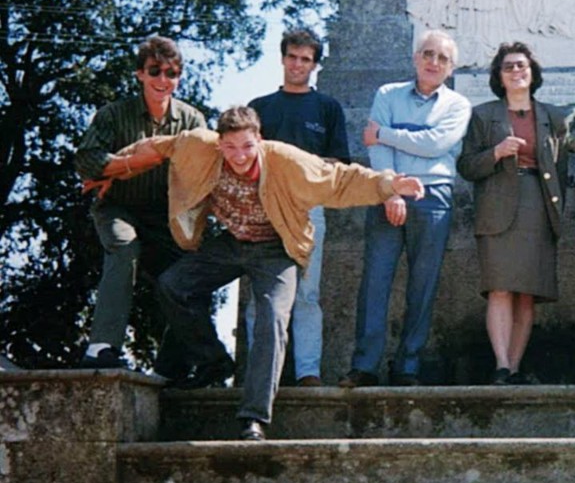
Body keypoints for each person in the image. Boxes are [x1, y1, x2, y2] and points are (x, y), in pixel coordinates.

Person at [94, 106, 425, 440]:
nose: (239, 157)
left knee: (271, 316)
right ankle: (212, 360)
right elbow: (153, 147)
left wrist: (391, 183)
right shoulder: (197, 144)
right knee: (173, 286)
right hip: (231, 242)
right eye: (231, 148)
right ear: (219, 143)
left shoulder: (287, 160)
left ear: (260, 140)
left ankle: (254, 417)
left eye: (248, 147)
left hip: (276, 248)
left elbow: (340, 180)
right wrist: (111, 170)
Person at [340, 30, 472, 387]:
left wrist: (385, 133)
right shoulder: (387, 94)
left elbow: (436, 144)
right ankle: (364, 366)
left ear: (451, 67)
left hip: (433, 197)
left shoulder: (458, 105)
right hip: (387, 195)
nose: (433, 62)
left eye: (442, 58)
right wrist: (390, 191)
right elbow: (377, 152)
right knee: (375, 281)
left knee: (423, 285)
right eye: (427, 54)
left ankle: (407, 367)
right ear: (415, 58)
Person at [74, 35, 206, 372]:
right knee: (125, 249)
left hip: (166, 217)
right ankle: (101, 348)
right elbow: (88, 161)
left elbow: (202, 169)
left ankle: (172, 366)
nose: (164, 80)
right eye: (155, 71)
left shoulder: (193, 121)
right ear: (139, 74)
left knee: (195, 274)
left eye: (172, 73)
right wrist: (134, 163)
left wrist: (115, 167)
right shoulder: (113, 115)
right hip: (118, 207)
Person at [458, 42, 569, 385]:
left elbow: (563, 168)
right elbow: (466, 166)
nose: (517, 71)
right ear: (499, 76)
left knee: (526, 292)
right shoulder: (482, 114)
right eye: (509, 67)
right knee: (500, 288)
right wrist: (495, 152)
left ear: (533, 72)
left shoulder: (552, 115)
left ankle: (516, 367)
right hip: (496, 207)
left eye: (522, 65)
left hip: (538, 204)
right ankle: (501, 365)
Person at [246, 28, 349, 386]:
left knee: (307, 294)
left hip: (309, 212)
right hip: (262, 212)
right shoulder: (259, 108)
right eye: (292, 57)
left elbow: (338, 163)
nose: (297, 65)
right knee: (260, 296)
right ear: (282, 58)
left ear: (315, 65)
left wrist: (304, 175)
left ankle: (308, 372)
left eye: (305, 59)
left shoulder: (328, 108)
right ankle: (258, 374)